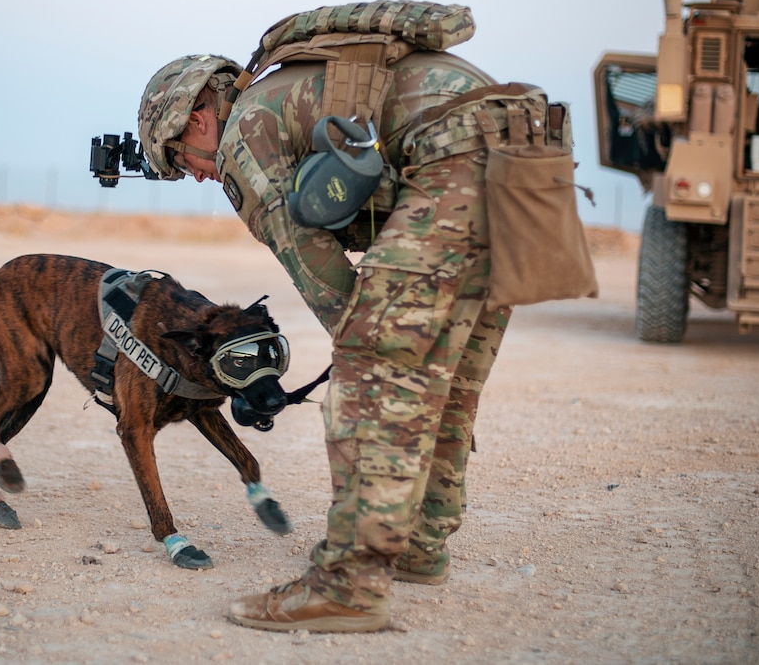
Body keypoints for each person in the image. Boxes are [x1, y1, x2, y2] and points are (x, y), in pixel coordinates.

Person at [137, 44, 517, 633]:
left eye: (182, 160)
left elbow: (320, 271)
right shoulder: (287, 93)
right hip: (522, 156)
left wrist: (374, 350)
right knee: (448, 374)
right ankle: (417, 543)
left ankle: (349, 585)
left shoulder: (244, 136)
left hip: (455, 162)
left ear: (197, 119)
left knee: (374, 370)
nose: (196, 175)